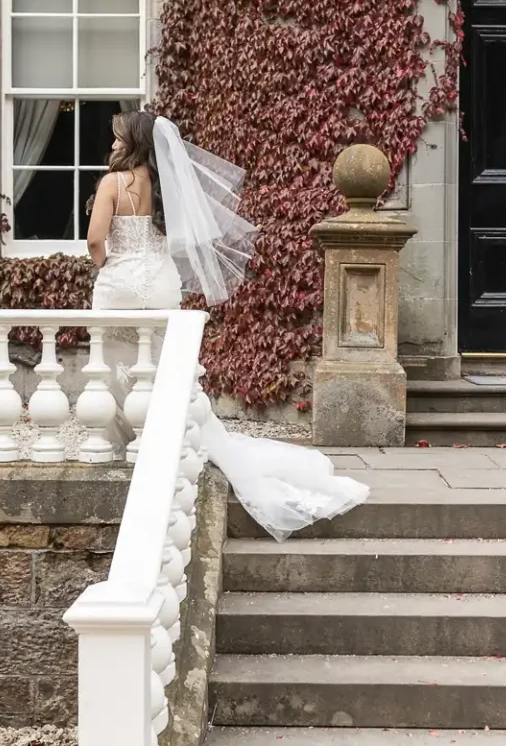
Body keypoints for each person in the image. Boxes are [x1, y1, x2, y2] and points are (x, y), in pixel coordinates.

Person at [85, 108, 368, 540]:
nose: (113, 144)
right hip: (160, 285)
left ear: (134, 142)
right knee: (165, 367)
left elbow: (94, 239)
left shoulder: (112, 184)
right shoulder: (165, 188)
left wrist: (109, 265)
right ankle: (169, 439)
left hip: (119, 284)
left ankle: (125, 442)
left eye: (118, 138)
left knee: (111, 364)